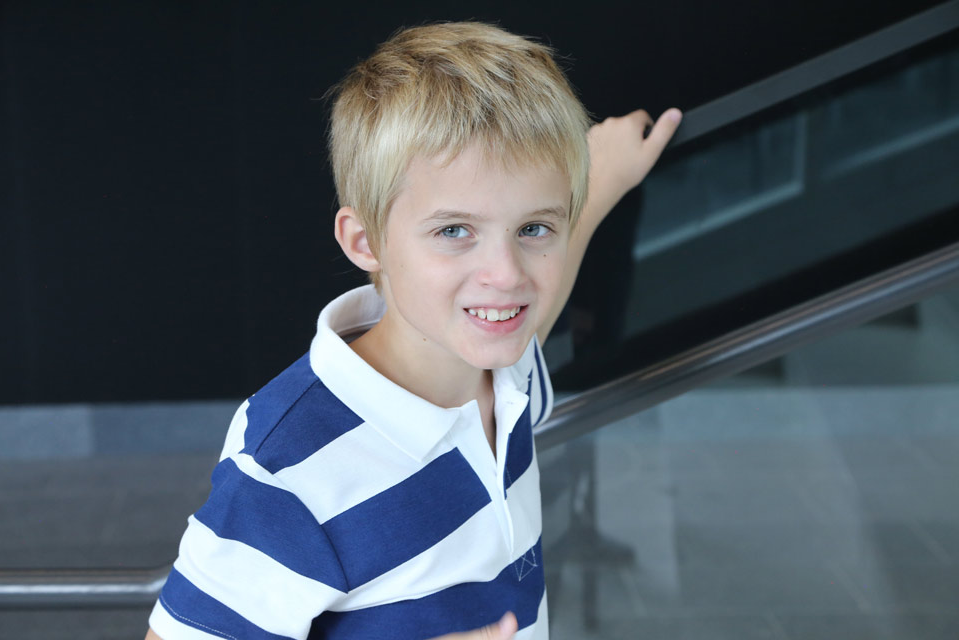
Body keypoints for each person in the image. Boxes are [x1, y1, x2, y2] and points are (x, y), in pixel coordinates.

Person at [145, 21, 680, 640]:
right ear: (365, 241)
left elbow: (542, 290)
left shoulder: (502, 370)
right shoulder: (288, 465)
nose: (506, 277)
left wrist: (603, 176)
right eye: (455, 231)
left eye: (534, 229)